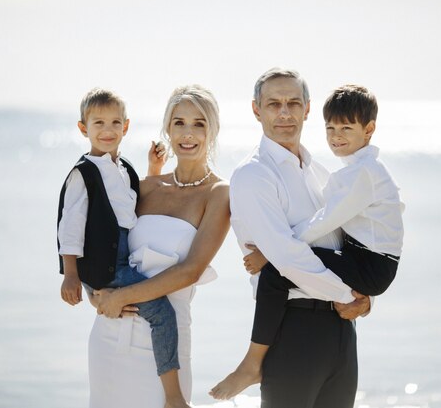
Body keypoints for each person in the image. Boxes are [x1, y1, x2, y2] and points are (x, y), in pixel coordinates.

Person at [211, 84, 404, 401]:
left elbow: (325, 230)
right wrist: (354, 296)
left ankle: (252, 362)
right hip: (296, 328)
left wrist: (361, 301)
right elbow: (298, 255)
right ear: (257, 109)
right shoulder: (255, 174)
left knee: (274, 269)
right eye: (274, 103)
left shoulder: (330, 174)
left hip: (341, 325)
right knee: (276, 273)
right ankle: (252, 364)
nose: (285, 112)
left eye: (293, 103)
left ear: (306, 109)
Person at [89, 84, 231, 408]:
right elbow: (106, 247)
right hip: (109, 335)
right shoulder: (146, 186)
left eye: (199, 123)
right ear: (168, 128)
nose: (188, 133)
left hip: (166, 349)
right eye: (179, 122)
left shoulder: (219, 194)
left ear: (213, 130)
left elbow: (191, 270)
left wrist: (122, 296)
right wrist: (93, 295)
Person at [56, 88, 190, 407]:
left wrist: (153, 171)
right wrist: (71, 275)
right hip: (106, 266)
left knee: (153, 306)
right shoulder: (83, 173)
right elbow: (69, 227)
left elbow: (134, 208)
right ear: (83, 128)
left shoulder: (123, 169)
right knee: (162, 312)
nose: (107, 130)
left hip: (121, 259)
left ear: (126, 127)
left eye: (115, 122)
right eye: (98, 122)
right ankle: (174, 397)